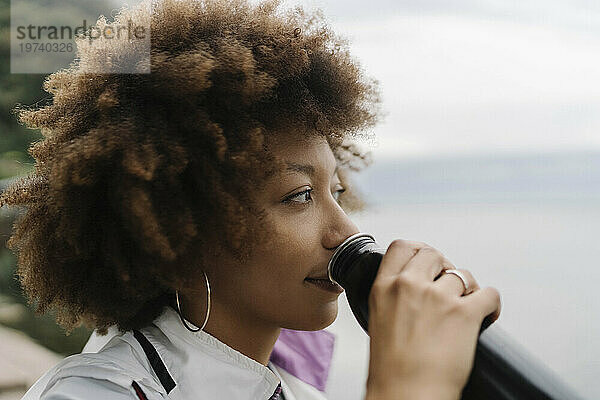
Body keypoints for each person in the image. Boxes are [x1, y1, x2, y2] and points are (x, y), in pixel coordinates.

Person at [1, 0, 501, 399]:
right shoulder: (94, 393)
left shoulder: (299, 390)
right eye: (300, 195)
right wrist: (407, 387)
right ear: (180, 233)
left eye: (337, 191)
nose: (348, 232)